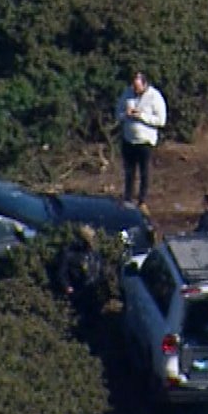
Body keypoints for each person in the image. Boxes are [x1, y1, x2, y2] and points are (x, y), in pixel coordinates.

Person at [114, 71, 168, 210]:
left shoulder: (155, 97)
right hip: (128, 139)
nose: (135, 90)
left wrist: (142, 116)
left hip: (145, 141)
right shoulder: (127, 94)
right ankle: (128, 198)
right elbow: (117, 113)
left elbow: (161, 121)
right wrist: (125, 115)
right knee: (129, 171)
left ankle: (142, 200)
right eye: (134, 87)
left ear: (145, 84)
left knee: (144, 172)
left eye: (138, 87)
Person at [56, 225, 104, 312]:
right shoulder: (70, 254)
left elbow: (99, 270)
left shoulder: (95, 254)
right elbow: (62, 273)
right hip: (78, 292)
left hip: (93, 291)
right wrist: (68, 287)